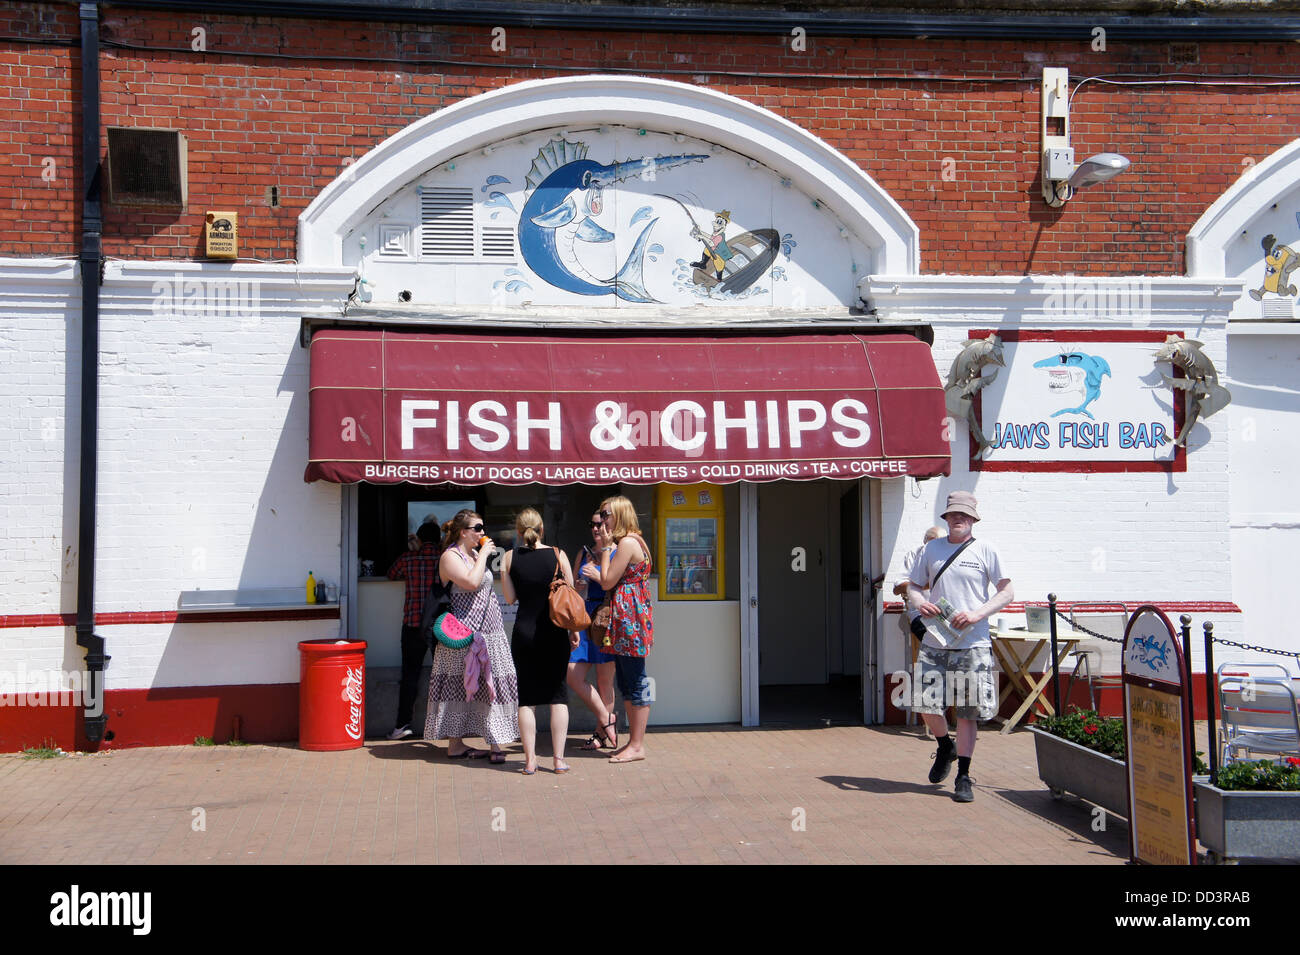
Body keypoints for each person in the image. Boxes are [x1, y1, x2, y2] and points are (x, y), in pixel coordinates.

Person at [907, 491, 1013, 803]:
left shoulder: (986, 550)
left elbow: (1007, 591)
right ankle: (945, 746)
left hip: (973, 642)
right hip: (936, 640)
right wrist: (920, 602)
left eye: (964, 515)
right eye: (953, 514)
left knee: (968, 712)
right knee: (926, 703)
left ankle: (963, 776)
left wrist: (979, 613)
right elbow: (914, 585)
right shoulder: (931, 549)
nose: (958, 519)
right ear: (946, 517)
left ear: (973, 519)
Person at [424, 509, 519, 762]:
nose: (482, 533)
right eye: (477, 528)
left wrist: (484, 556)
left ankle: (496, 742)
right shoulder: (449, 557)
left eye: (483, 528)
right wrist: (485, 555)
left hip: (490, 630)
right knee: (459, 687)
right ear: (463, 532)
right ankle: (455, 745)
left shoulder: (476, 554)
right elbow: (471, 582)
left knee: (493, 686)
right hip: (463, 633)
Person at [501, 507, 579, 775]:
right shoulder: (559, 555)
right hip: (555, 632)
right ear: (542, 528)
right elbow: (569, 595)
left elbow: (510, 599)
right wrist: (575, 631)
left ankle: (530, 761)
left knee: (526, 699)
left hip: (524, 633)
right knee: (557, 695)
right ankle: (558, 760)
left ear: (518, 531)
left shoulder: (510, 558)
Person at [581, 495, 653, 763]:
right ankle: (634, 743)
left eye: (606, 514)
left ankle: (637, 745)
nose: (602, 519)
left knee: (634, 682)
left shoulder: (626, 544)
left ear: (620, 515)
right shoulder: (633, 541)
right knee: (628, 681)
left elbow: (608, 580)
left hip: (629, 620)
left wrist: (606, 552)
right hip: (629, 619)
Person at [385, 522, 442, 740]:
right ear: (438, 539)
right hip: (439, 626)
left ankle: (402, 725)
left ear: (418, 538)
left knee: (409, 675)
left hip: (412, 624)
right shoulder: (445, 559)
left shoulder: (408, 559)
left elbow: (391, 574)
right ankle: (444, 726)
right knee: (445, 676)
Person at [567, 510, 618, 751]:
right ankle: (607, 718)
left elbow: (619, 585)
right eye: (593, 524)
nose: (596, 528)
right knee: (572, 674)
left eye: (600, 524)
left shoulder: (617, 551)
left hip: (606, 620)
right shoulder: (584, 553)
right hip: (584, 619)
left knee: (604, 681)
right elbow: (572, 592)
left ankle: (600, 734)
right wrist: (577, 587)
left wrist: (598, 576)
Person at [893, 525, 946, 733]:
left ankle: (956, 708)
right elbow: (897, 588)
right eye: (932, 542)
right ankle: (934, 705)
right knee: (936, 649)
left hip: (945, 616)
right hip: (921, 616)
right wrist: (923, 584)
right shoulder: (914, 556)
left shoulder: (951, 556)